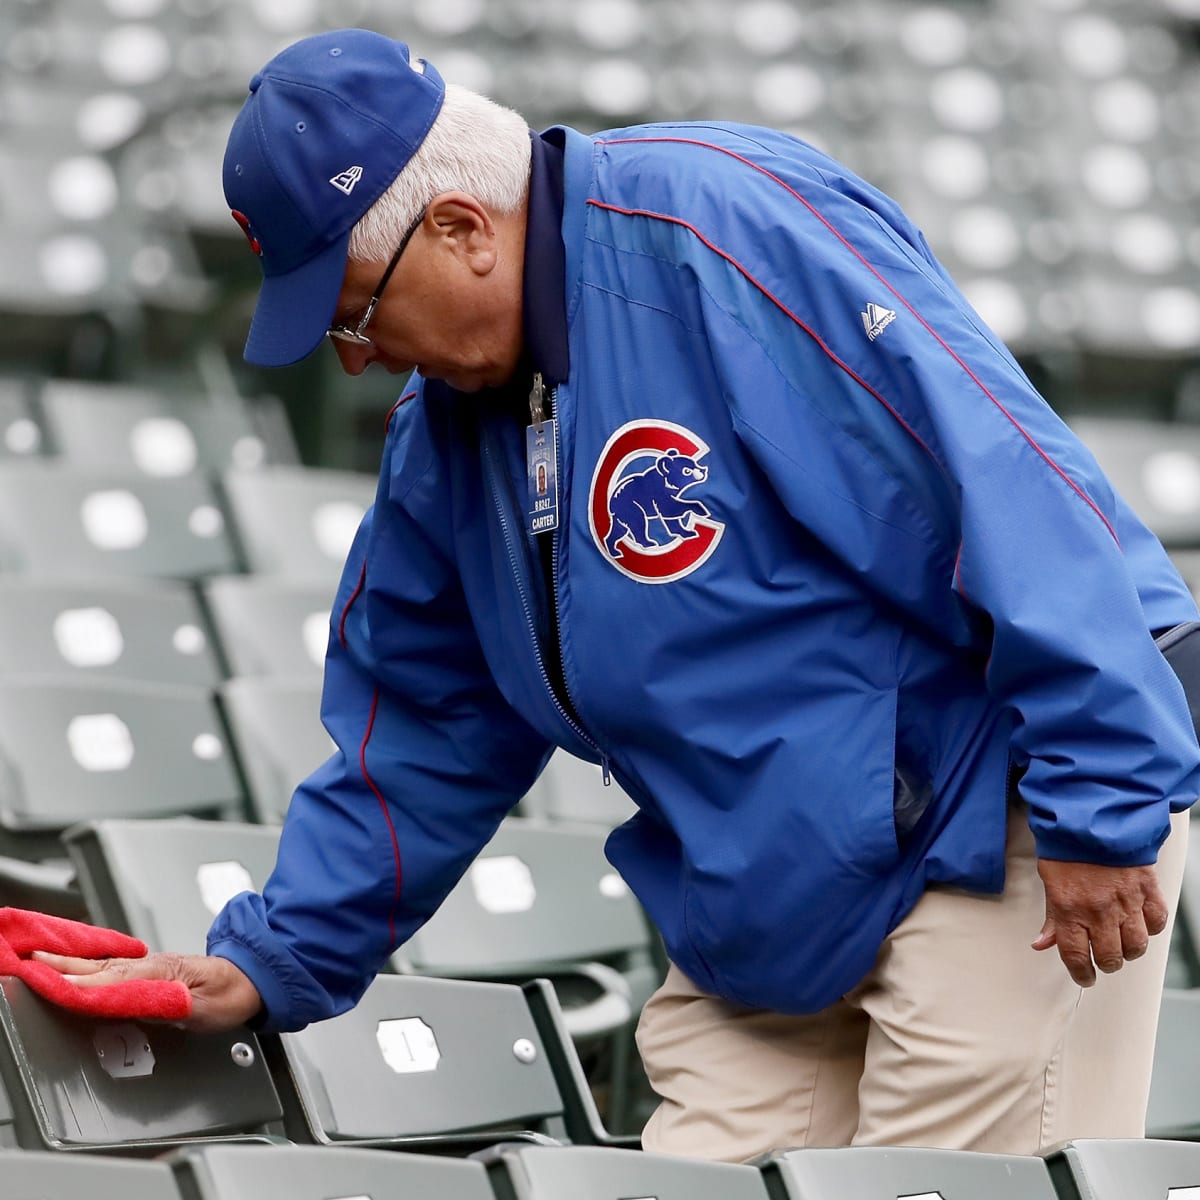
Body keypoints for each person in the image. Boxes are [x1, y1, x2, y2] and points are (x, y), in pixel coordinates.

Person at [34, 27, 1200, 1161]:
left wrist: (1099, 797)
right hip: (770, 882)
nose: (354, 355)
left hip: (994, 809)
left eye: (353, 308)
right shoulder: (448, 431)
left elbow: (1006, 480)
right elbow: (431, 719)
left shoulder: (718, 231)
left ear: (459, 229)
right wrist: (276, 954)